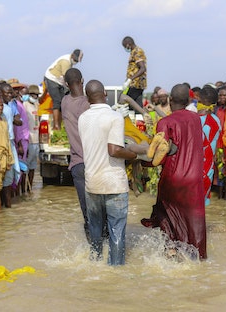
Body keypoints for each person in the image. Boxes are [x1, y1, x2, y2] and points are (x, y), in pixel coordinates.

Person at [142, 84, 207, 260]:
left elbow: (158, 156)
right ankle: (197, 258)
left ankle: (171, 254)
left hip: (173, 177)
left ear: (170, 100)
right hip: (194, 179)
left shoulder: (165, 123)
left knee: (167, 218)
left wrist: (143, 164)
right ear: (188, 101)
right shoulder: (195, 120)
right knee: (193, 221)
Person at [78, 80, 137, 266]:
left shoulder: (83, 118)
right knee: (117, 230)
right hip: (114, 183)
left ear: (88, 98)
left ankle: (95, 263)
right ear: (105, 94)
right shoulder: (114, 117)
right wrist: (134, 155)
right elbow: (114, 150)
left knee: (95, 229)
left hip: (92, 182)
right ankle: (116, 271)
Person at [61, 68, 90, 242]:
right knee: (103, 215)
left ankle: (93, 255)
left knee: (88, 216)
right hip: (95, 164)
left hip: (78, 165)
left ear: (66, 84)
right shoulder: (88, 104)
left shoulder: (64, 102)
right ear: (83, 80)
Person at [44, 49, 83, 130]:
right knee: (57, 101)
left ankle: (60, 124)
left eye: (77, 61)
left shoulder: (70, 63)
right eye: (75, 59)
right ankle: (56, 126)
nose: (75, 62)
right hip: (51, 79)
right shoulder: (66, 62)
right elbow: (67, 78)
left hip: (59, 81)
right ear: (72, 55)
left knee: (63, 102)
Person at [0, 95, 15, 211]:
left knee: (7, 183)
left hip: (6, 156)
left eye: (1, 105)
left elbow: (7, 140)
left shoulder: (4, 119)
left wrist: (10, 159)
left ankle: (6, 209)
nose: (0, 108)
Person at [22, 85, 40, 192]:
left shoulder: (36, 105)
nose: (35, 96)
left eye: (37, 95)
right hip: (29, 140)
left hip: (36, 140)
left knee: (33, 166)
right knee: (25, 167)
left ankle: (30, 188)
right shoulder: (25, 105)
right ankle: (23, 190)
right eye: (33, 95)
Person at [121, 36, 147, 109]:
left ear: (128, 44)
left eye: (125, 46)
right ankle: (139, 118)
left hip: (136, 84)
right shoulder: (133, 52)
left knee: (127, 101)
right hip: (134, 84)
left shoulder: (137, 51)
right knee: (136, 105)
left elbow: (142, 68)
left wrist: (130, 79)